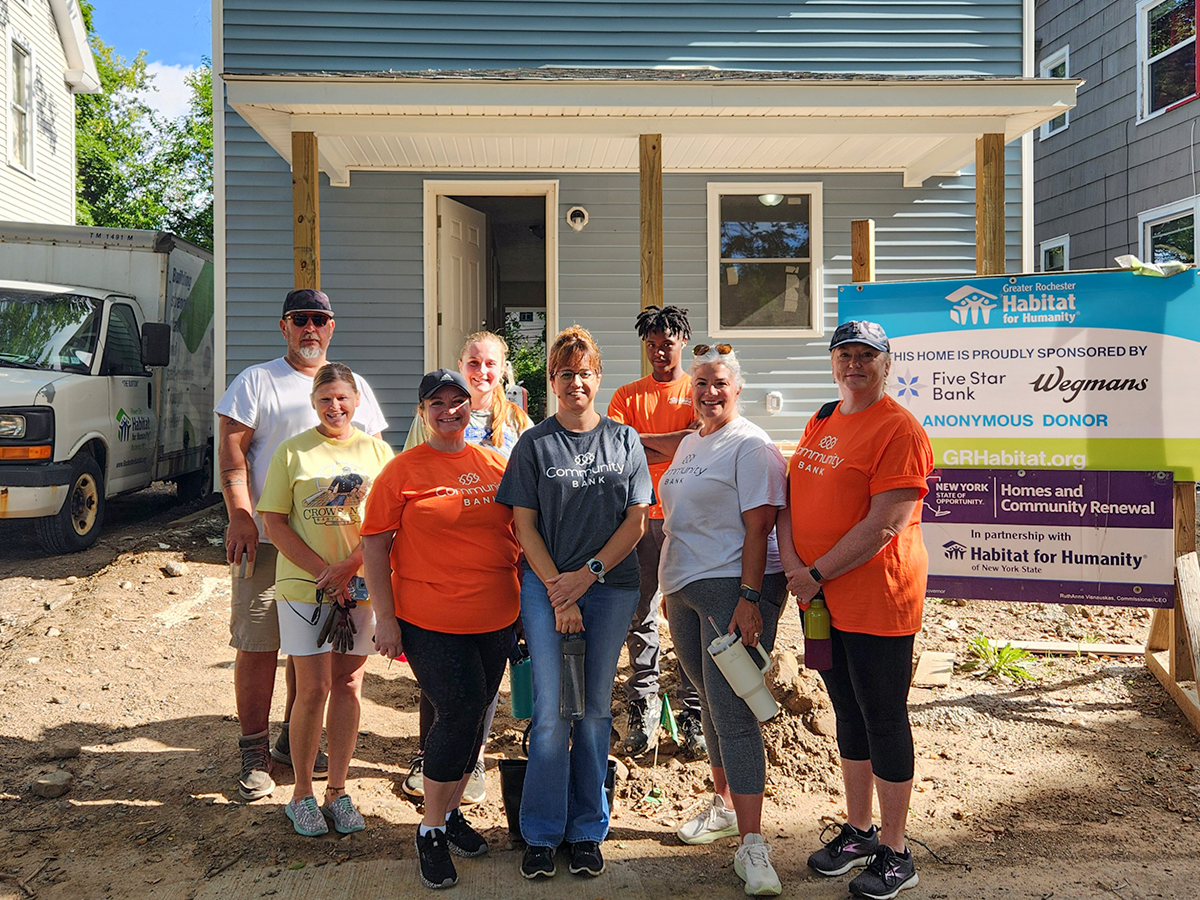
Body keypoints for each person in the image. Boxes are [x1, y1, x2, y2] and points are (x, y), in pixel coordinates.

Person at [776, 321, 933, 900]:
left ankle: (896, 850)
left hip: (877, 601)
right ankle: (861, 830)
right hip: (821, 599)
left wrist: (814, 574)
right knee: (846, 709)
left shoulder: (899, 429)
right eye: (845, 355)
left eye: (867, 356)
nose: (854, 365)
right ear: (833, 362)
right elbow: (793, 496)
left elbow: (886, 522)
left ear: (886, 364)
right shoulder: (822, 418)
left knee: (883, 714)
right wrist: (795, 564)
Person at [216, 288, 387, 801]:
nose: (310, 328)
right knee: (259, 641)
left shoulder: (353, 386)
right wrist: (242, 515)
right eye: (300, 319)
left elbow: (370, 461)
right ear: (285, 326)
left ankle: (297, 744)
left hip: (340, 549)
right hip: (272, 540)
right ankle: (254, 751)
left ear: (331, 326)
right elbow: (231, 451)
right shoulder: (257, 381)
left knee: (313, 654)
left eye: (320, 319)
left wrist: (362, 555)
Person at [496, 326, 652, 881]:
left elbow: (637, 522)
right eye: (566, 374)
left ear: (598, 377)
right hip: (546, 587)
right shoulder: (534, 444)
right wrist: (559, 589)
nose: (576, 382)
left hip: (609, 588)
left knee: (592, 711)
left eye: (585, 372)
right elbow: (523, 524)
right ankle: (541, 831)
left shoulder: (625, 440)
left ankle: (587, 829)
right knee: (548, 713)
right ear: (553, 382)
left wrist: (584, 578)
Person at [361, 368, 520, 890]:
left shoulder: (498, 464)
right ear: (422, 412)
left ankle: (450, 815)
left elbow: (524, 535)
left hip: (495, 616)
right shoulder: (401, 471)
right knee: (456, 712)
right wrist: (386, 619)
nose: (450, 410)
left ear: (473, 406)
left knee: (475, 719)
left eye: (459, 401)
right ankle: (429, 829)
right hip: (428, 618)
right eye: (438, 403)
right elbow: (375, 547)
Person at [658, 343, 788, 896]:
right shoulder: (692, 440)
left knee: (733, 709)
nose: (709, 393)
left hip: (733, 588)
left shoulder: (752, 445)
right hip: (685, 586)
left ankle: (754, 847)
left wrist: (750, 598)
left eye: (719, 384)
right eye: (701, 383)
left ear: (737, 389)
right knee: (706, 699)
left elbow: (759, 528)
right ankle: (725, 806)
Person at [257, 363, 393, 836]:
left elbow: (386, 523)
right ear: (313, 404)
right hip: (303, 588)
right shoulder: (292, 452)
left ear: (357, 401)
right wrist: (323, 572)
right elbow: (274, 522)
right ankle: (301, 793)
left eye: (342, 398)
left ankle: (338, 788)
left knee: (349, 686)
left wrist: (350, 567)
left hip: (359, 587)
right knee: (311, 687)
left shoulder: (377, 451)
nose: (334, 407)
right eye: (324, 399)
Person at [399, 331, 532, 804]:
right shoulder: (433, 418)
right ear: (461, 364)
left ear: (503, 369)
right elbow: (408, 480)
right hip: (436, 575)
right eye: (473, 362)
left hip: (496, 567)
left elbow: (528, 496)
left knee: (481, 682)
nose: (482, 372)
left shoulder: (517, 422)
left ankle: (470, 760)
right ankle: (428, 754)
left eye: (490, 364)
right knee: (440, 679)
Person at [606, 305, 705, 757]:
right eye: (651, 344)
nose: (659, 350)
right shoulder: (627, 395)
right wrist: (677, 440)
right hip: (640, 517)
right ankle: (643, 701)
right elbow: (621, 452)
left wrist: (647, 440)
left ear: (682, 341)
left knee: (689, 610)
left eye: (667, 342)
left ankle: (693, 707)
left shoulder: (698, 388)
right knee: (640, 612)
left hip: (690, 517)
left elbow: (699, 441)